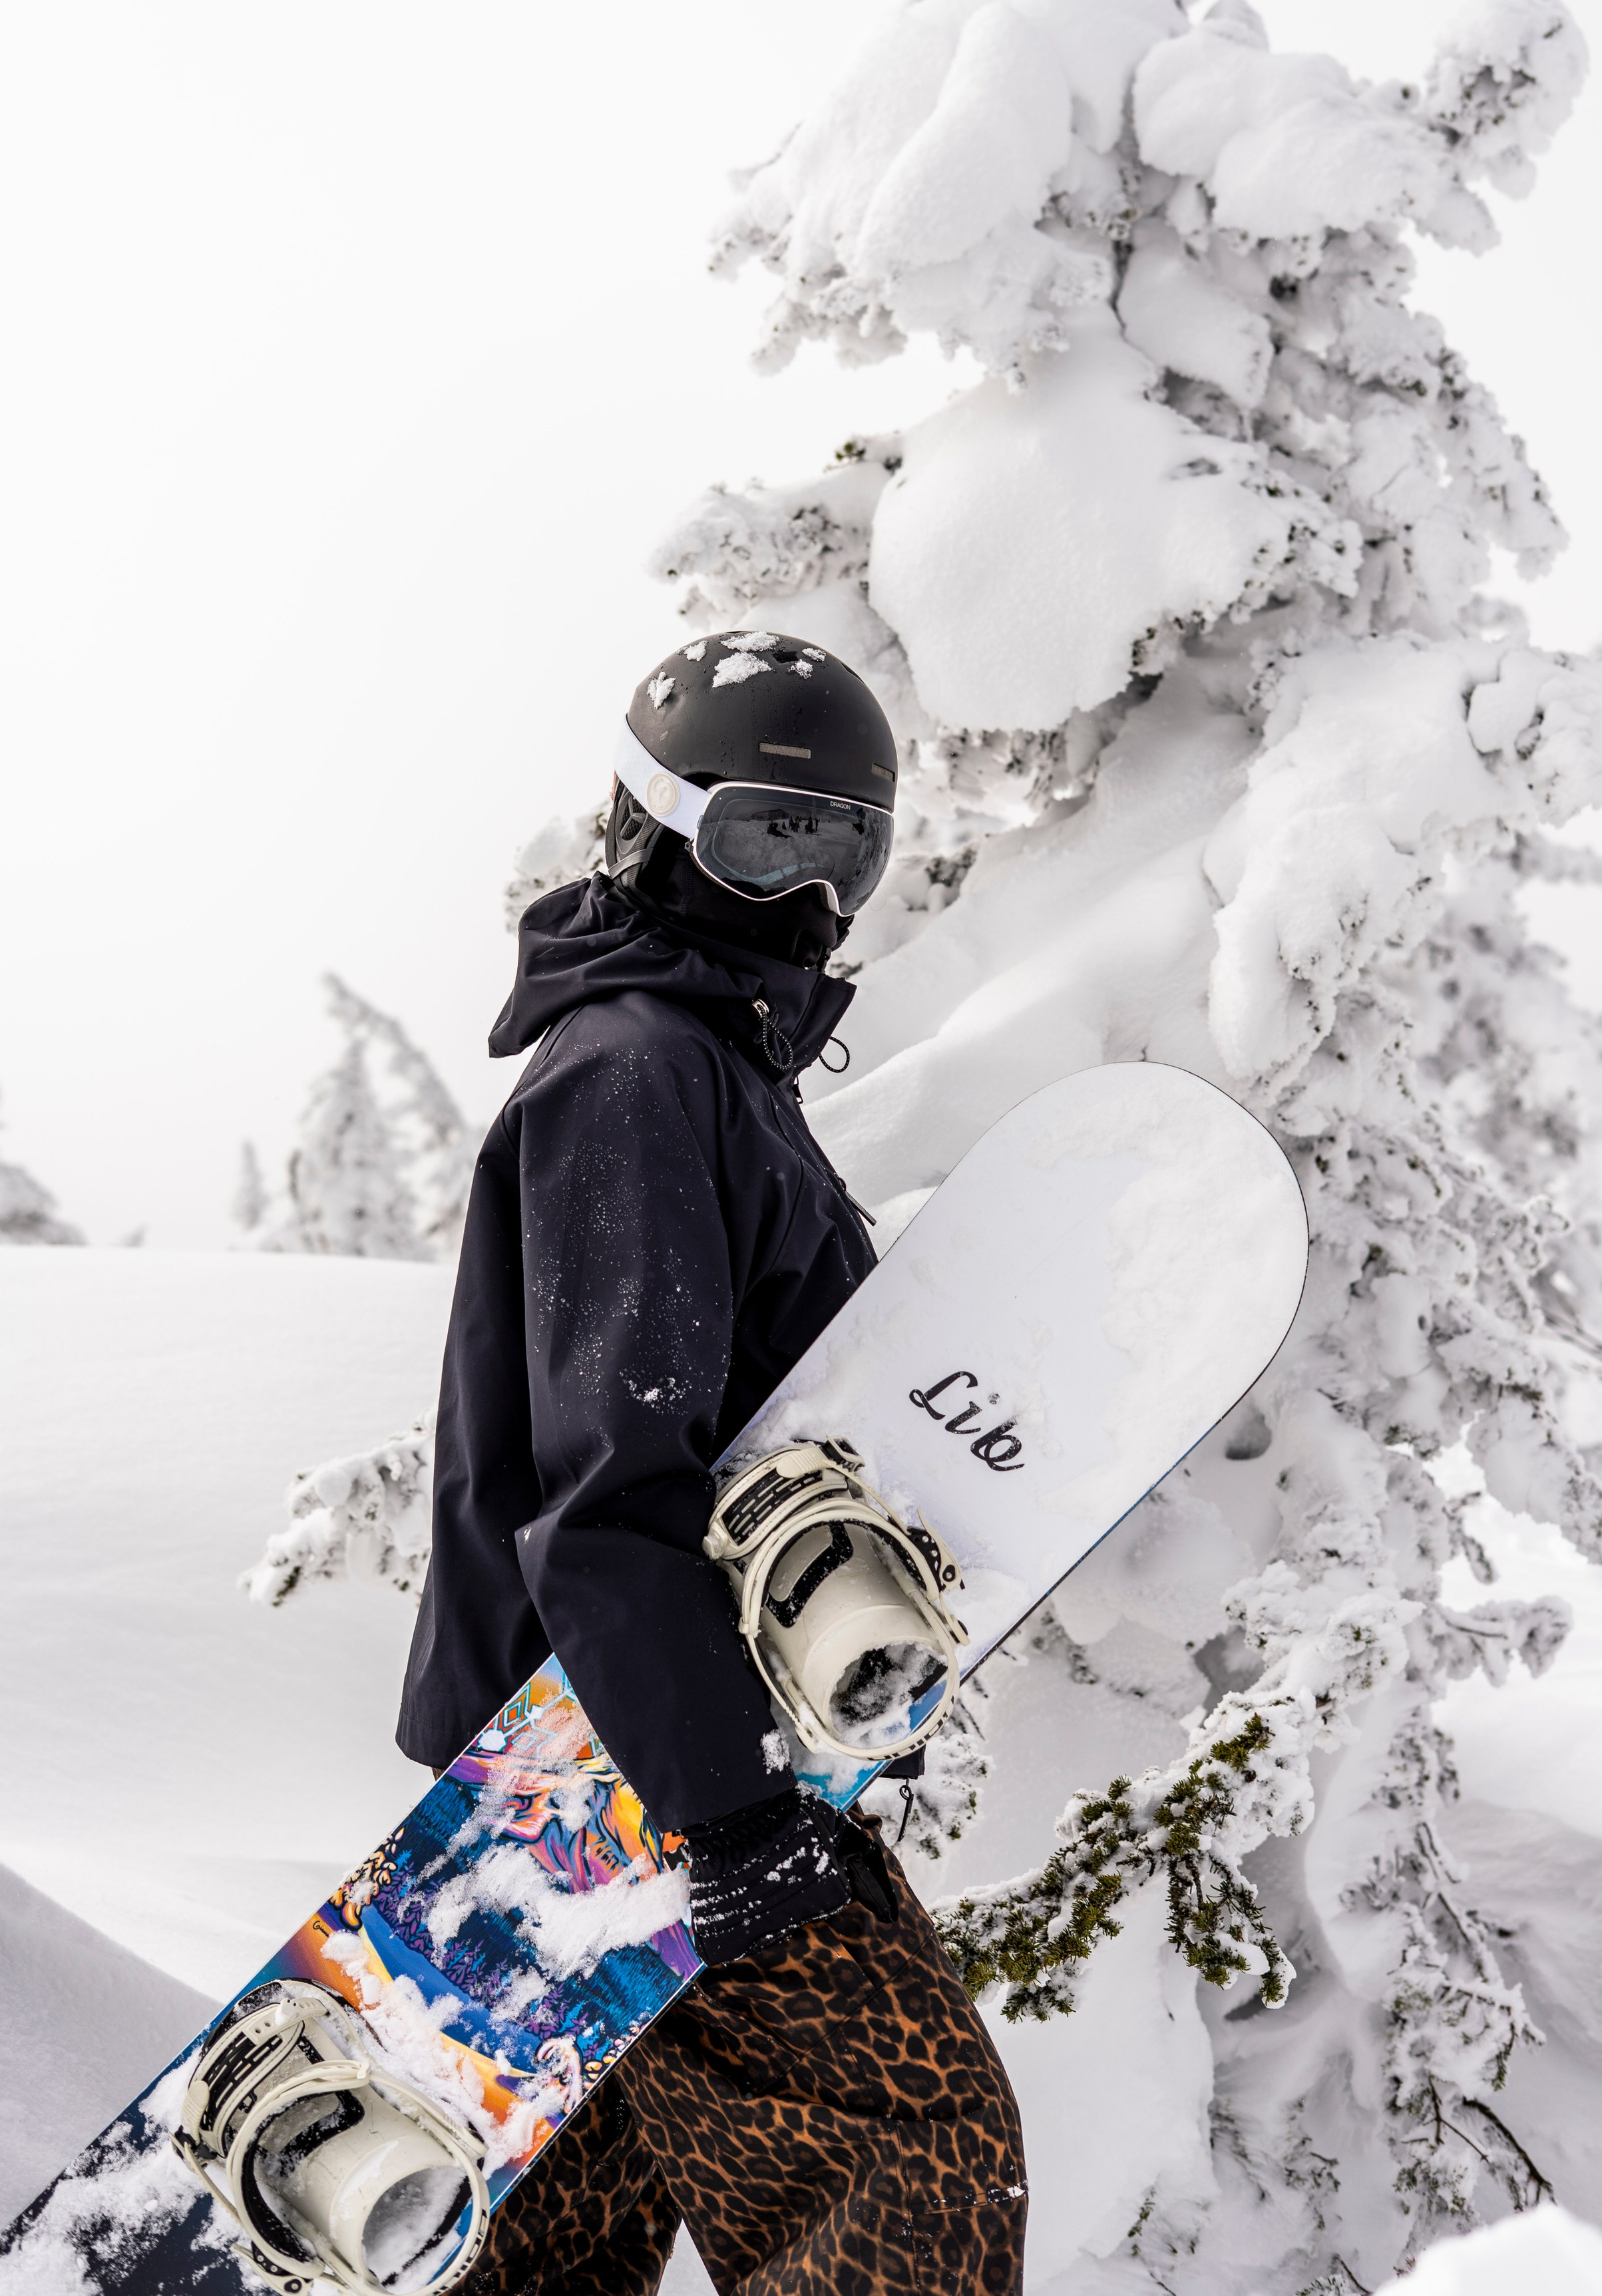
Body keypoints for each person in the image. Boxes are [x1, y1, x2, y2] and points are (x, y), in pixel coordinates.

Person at [397, 629, 1026, 2295]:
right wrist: (724, 1812)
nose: (804, 895)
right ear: (653, 824)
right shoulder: (640, 1075)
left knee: (570, 2231)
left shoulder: (704, 1065)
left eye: (842, 852)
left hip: (619, 1747)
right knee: (905, 2159)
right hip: (633, 1762)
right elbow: (608, 1480)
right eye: (763, 838)